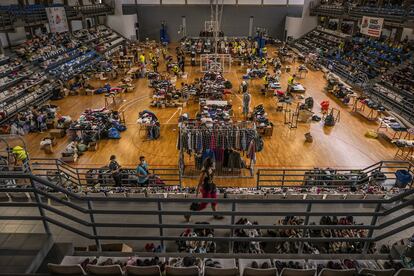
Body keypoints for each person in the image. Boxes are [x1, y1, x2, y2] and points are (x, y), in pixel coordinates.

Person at [185, 157, 223, 222]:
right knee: (203, 205)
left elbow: (211, 178)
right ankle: (188, 214)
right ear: (210, 164)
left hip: (212, 186)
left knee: (214, 201)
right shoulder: (204, 172)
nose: (214, 163)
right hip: (206, 188)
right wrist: (197, 192)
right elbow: (199, 183)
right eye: (213, 163)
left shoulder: (211, 169)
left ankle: (215, 214)